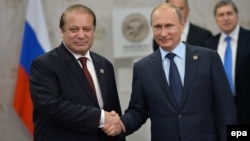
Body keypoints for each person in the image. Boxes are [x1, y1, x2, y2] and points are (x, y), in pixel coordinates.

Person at [104, 3, 237, 141]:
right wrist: (120, 123)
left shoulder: (208, 58)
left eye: (169, 26)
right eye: (157, 27)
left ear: (182, 24)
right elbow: (138, 111)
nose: (163, 33)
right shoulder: (143, 68)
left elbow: (226, 109)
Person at [29, 4, 125, 141]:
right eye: (74, 29)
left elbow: (114, 112)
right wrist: (102, 118)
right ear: (62, 31)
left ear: (94, 31)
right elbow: (52, 108)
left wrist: (115, 128)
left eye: (87, 29)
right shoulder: (44, 65)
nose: (81, 35)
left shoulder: (104, 65)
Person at [204, 0, 250, 124]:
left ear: (237, 15)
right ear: (216, 18)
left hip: (246, 107)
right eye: (221, 15)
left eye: (229, 13)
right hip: (219, 109)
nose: (225, 18)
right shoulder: (209, 44)